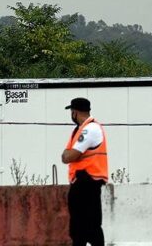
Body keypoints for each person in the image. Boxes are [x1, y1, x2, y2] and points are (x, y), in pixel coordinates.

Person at [61, 97, 108, 246]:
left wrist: (67, 154)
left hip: (87, 182)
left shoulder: (90, 129)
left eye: (72, 112)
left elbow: (69, 156)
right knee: (80, 228)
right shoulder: (82, 129)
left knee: (89, 227)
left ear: (75, 112)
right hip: (83, 182)